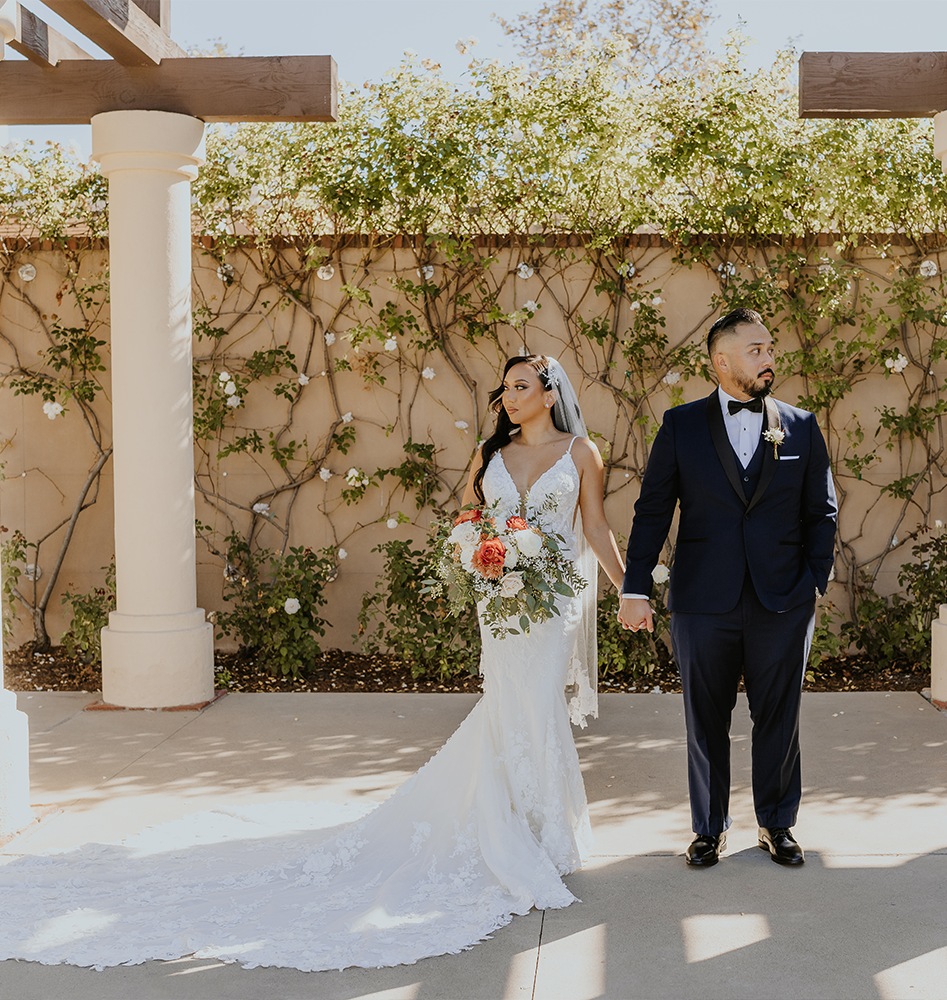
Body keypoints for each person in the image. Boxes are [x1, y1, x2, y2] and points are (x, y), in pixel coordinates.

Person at [0, 355, 626, 972]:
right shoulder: (491, 456)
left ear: (549, 392)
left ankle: (541, 829)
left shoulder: (580, 454)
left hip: (553, 599)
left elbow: (594, 526)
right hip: (499, 596)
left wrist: (629, 589)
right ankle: (518, 827)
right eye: (504, 387)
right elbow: (469, 518)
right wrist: (473, 553)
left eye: (522, 386)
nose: (508, 396)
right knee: (510, 699)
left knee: (538, 697)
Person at [618, 309, 837, 869]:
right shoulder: (681, 426)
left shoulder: (801, 425)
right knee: (704, 717)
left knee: (779, 717)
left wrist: (813, 581)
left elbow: (822, 511)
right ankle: (708, 828)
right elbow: (652, 512)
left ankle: (777, 824)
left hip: (782, 598)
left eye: (770, 348)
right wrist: (634, 588)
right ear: (722, 362)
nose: (769, 358)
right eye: (756, 349)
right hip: (701, 599)